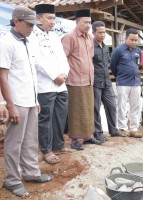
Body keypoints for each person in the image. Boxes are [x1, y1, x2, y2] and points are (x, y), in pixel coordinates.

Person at [0, 6, 53, 197]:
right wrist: (9, 105)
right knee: (15, 143)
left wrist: (36, 99)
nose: (32, 28)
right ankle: (12, 180)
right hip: (17, 102)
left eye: (33, 24)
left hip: (30, 100)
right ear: (16, 21)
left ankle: (31, 173)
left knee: (31, 140)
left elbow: (31, 75)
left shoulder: (28, 41)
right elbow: (2, 77)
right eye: (29, 24)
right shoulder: (6, 42)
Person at [30, 4, 71, 165]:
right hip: (45, 85)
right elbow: (37, 60)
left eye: (54, 18)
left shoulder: (54, 36)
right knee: (45, 119)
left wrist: (65, 73)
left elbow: (63, 57)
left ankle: (58, 145)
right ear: (39, 18)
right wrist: (54, 76)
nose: (52, 21)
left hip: (61, 85)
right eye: (49, 18)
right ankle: (46, 150)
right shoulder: (32, 36)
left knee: (60, 116)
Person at [62, 9, 102, 150]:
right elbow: (62, 59)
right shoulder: (69, 37)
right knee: (76, 110)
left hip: (89, 79)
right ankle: (76, 139)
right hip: (75, 80)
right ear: (77, 22)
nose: (88, 25)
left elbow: (90, 57)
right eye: (85, 22)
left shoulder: (89, 37)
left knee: (88, 109)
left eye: (89, 22)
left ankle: (88, 136)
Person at [92, 21, 126, 140]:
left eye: (104, 32)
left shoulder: (106, 47)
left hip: (106, 82)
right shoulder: (90, 46)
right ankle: (98, 132)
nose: (102, 34)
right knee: (95, 108)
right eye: (99, 32)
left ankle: (113, 130)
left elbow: (108, 64)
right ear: (93, 32)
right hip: (95, 82)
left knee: (112, 106)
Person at [110, 28, 142, 138]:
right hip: (123, 82)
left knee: (136, 106)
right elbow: (113, 66)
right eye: (132, 39)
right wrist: (119, 76)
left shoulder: (138, 51)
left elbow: (137, 65)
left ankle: (134, 128)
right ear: (126, 38)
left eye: (136, 40)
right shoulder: (118, 50)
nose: (134, 42)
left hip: (136, 82)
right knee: (122, 106)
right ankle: (122, 128)